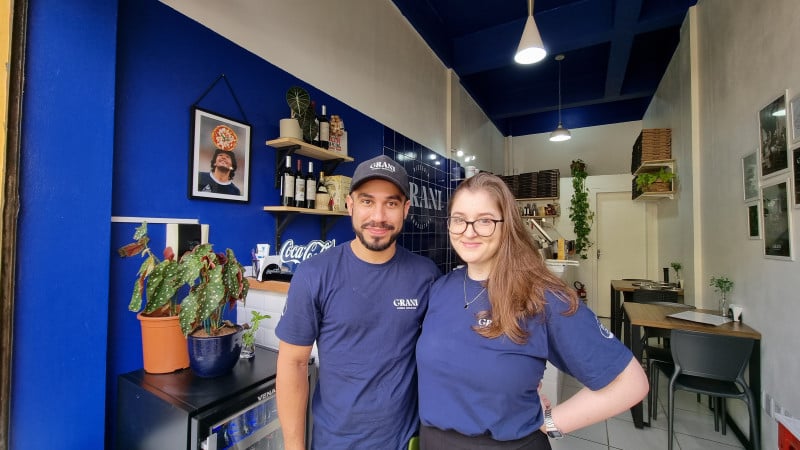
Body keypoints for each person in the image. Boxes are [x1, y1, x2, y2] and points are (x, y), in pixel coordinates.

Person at [416, 172, 649, 449]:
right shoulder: (440, 289)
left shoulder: (543, 296)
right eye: (459, 219)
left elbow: (630, 383)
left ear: (508, 225)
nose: (469, 231)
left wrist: (551, 421)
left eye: (485, 221)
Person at [275, 154, 440, 450]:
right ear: (349, 205)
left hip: (407, 441)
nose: (378, 216)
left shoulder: (425, 276)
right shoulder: (315, 274)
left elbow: (445, 355)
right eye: (367, 201)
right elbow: (293, 363)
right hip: (334, 442)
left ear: (405, 210)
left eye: (390, 203)